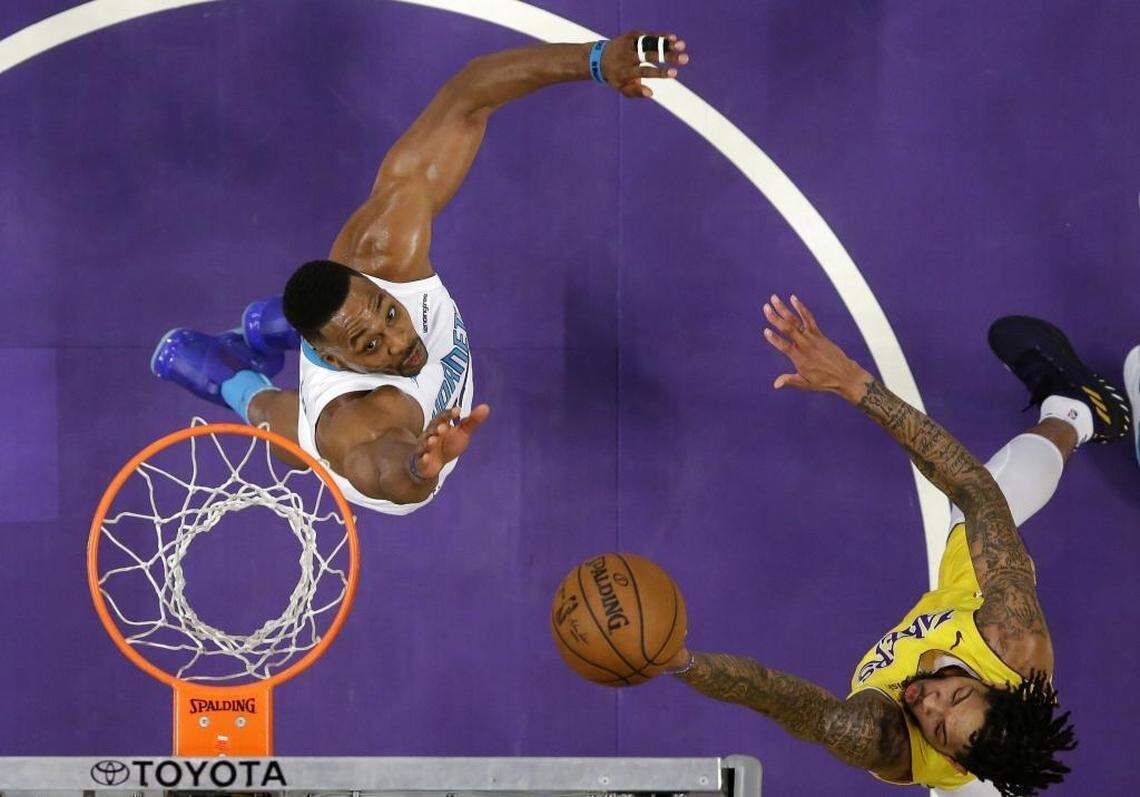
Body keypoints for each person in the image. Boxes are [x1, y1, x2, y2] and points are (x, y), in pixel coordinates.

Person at [151, 31, 690, 514]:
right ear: (332, 359)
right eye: (369, 346)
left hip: (342, 316)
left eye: (388, 312)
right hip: (356, 434)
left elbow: (468, 97)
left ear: (376, 284)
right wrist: (419, 468)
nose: (399, 340)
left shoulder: (384, 249)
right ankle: (233, 378)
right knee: (283, 431)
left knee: (328, 313)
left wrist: (596, 60)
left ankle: (267, 324)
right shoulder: (354, 424)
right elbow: (381, 470)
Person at [663, 296, 1131, 795]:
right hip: (968, 609)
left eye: (937, 727)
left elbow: (787, 702)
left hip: (973, 784)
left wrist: (683, 664)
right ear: (994, 685)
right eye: (955, 695)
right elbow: (975, 490)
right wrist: (853, 382)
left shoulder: (878, 734)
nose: (929, 702)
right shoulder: (1012, 637)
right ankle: (1079, 409)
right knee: (976, 509)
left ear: (944, 755)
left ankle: (1078, 409)